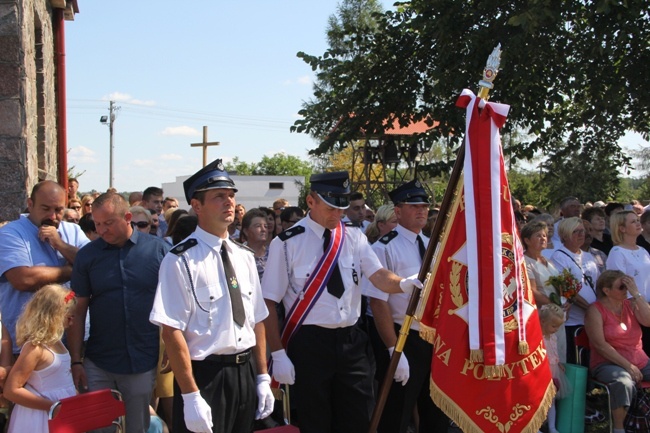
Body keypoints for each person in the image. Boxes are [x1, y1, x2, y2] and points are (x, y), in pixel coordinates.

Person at [261, 171, 423, 433]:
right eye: (330, 206)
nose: (337, 214)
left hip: (351, 341)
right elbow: (268, 301)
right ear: (311, 201)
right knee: (316, 422)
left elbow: (379, 274)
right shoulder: (287, 243)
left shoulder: (353, 236)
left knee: (359, 418)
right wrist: (278, 353)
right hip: (309, 342)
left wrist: (402, 283)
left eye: (342, 206)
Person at [150, 159, 274, 433]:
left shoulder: (244, 257)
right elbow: (171, 331)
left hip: (244, 371)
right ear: (197, 206)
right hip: (205, 376)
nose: (229, 202)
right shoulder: (180, 260)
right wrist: (191, 394)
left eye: (231, 196)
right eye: (219, 197)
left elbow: (258, 320)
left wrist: (262, 376)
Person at [69, 192, 171, 433]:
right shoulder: (87, 256)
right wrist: (75, 360)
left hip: (142, 359)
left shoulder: (159, 251)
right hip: (98, 360)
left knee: (138, 428)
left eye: (108, 223)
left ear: (127, 217)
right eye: (97, 224)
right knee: (99, 428)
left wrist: (172, 346)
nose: (102, 230)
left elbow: (173, 303)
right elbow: (77, 309)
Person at [363, 180, 448, 433]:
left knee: (436, 411)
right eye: (413, 206)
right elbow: (378, 303)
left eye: (424, 205)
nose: (421, 210)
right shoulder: (383, 248)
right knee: (397, 411)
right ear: (397, 211)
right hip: (404, 335)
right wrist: (392, 349)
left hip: (434, 335)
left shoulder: (435, 246)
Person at [0, 180, 89, 354]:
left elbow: (93, 265)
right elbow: (23, 279)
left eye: (58, 210)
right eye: (45, 208)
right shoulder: (10, 234)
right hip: (27, 345)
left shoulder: (73, 231)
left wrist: (60, 244)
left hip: (71, 341)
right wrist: (72, 270)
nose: (53, 216)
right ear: (30, 204)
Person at [4, 284, 77, 433]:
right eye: (69, 317)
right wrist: (51, 406)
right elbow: (11, 390)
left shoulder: (58, 343)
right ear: (53, 316)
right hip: (39, 417)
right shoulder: (35, 348)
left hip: (61, 412)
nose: (72, 323)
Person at [584, 270, 650, 433]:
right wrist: (628, 366)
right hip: (608, 362)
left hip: (638, 358)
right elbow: (600, 345)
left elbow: (648, 321)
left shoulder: (631, 304)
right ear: (606, 290)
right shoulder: (595, 310)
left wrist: (636, 293)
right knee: (623, 383)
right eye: (622, 287)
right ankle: (619, 429)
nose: (625, 290)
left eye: (627, 286)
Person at [550, 217, 600, 364]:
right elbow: (567, 289)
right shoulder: (559, 257)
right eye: (575, 231)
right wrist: (591, 308)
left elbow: (596, 283)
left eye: (582, 231)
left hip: (592, 318)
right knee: (576, 360)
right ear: (565, 235)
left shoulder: (589, 256)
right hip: (574, 321)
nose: (581, 235)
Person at [521, 220, 567, 362]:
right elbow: (532, 290)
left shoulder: (548, 261)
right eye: (538, 236)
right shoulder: (525, 261)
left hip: (557, 315)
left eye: (545, 235)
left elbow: (560, 286)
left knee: (559, 355)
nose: (543, 239)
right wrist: (554, 304)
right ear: (527, 240)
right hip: (542, 316)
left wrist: (567, 300)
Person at [606, 210, 650, 354]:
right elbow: (619, 285)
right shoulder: (617, 252)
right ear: (622, 228)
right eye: (633, 221)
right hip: (633, 309)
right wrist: (637, 306)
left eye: (637, 220)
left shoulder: (642, 250)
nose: (638, 223)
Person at [539, 304, 570, 433]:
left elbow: (554, 351)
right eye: (553, 326)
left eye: (558, 326)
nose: (556, 329)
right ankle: (537, 426)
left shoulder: (553, 337)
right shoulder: (538, 337)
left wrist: (558, 363)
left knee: (551, 400)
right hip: (542, 372)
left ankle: (552, 426)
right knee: (539, 400)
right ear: (542, 321)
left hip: (553, 371)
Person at [239, 208, 269, 280]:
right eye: (258, 226)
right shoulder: (239, 255)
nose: (263, 230)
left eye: (265, 226)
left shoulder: (274, 253)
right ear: (246, 231)